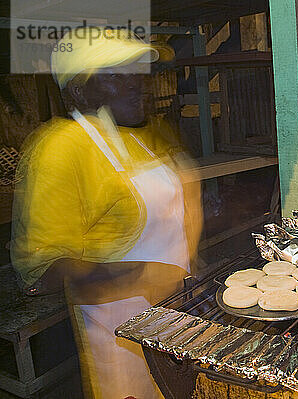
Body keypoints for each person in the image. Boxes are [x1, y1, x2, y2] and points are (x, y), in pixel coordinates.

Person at [11, 28, 202, 398]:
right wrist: (141, 274)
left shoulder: (141, 135)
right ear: (80, 91)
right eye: (116, 74)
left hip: (173, 307)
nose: (136, 84)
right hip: (117, 326)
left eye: (135, 72)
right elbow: (44, 268)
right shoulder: (60, 148)